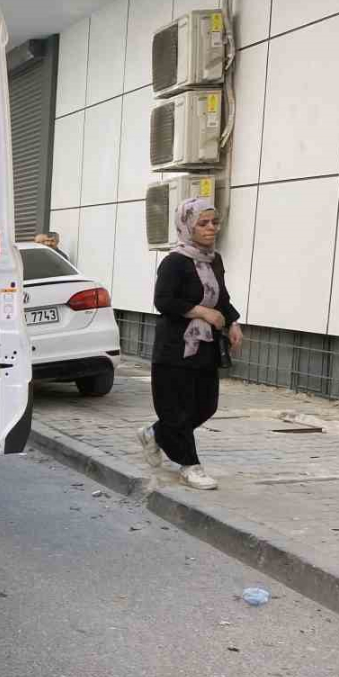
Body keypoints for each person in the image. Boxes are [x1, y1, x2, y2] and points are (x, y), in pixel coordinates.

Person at [139, 199, 241, 491]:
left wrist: (233, 322)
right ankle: (189, 466)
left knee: (206, 406)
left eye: (214, 222)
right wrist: (202, 312)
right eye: (203, 223)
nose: (211, 228)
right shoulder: (174, 262)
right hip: (176, 347)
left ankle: (154, 434)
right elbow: (163, 301)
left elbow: (221, 297)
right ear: (187, 226)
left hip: (206, 346)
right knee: (177, 409)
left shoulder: (213, 260)